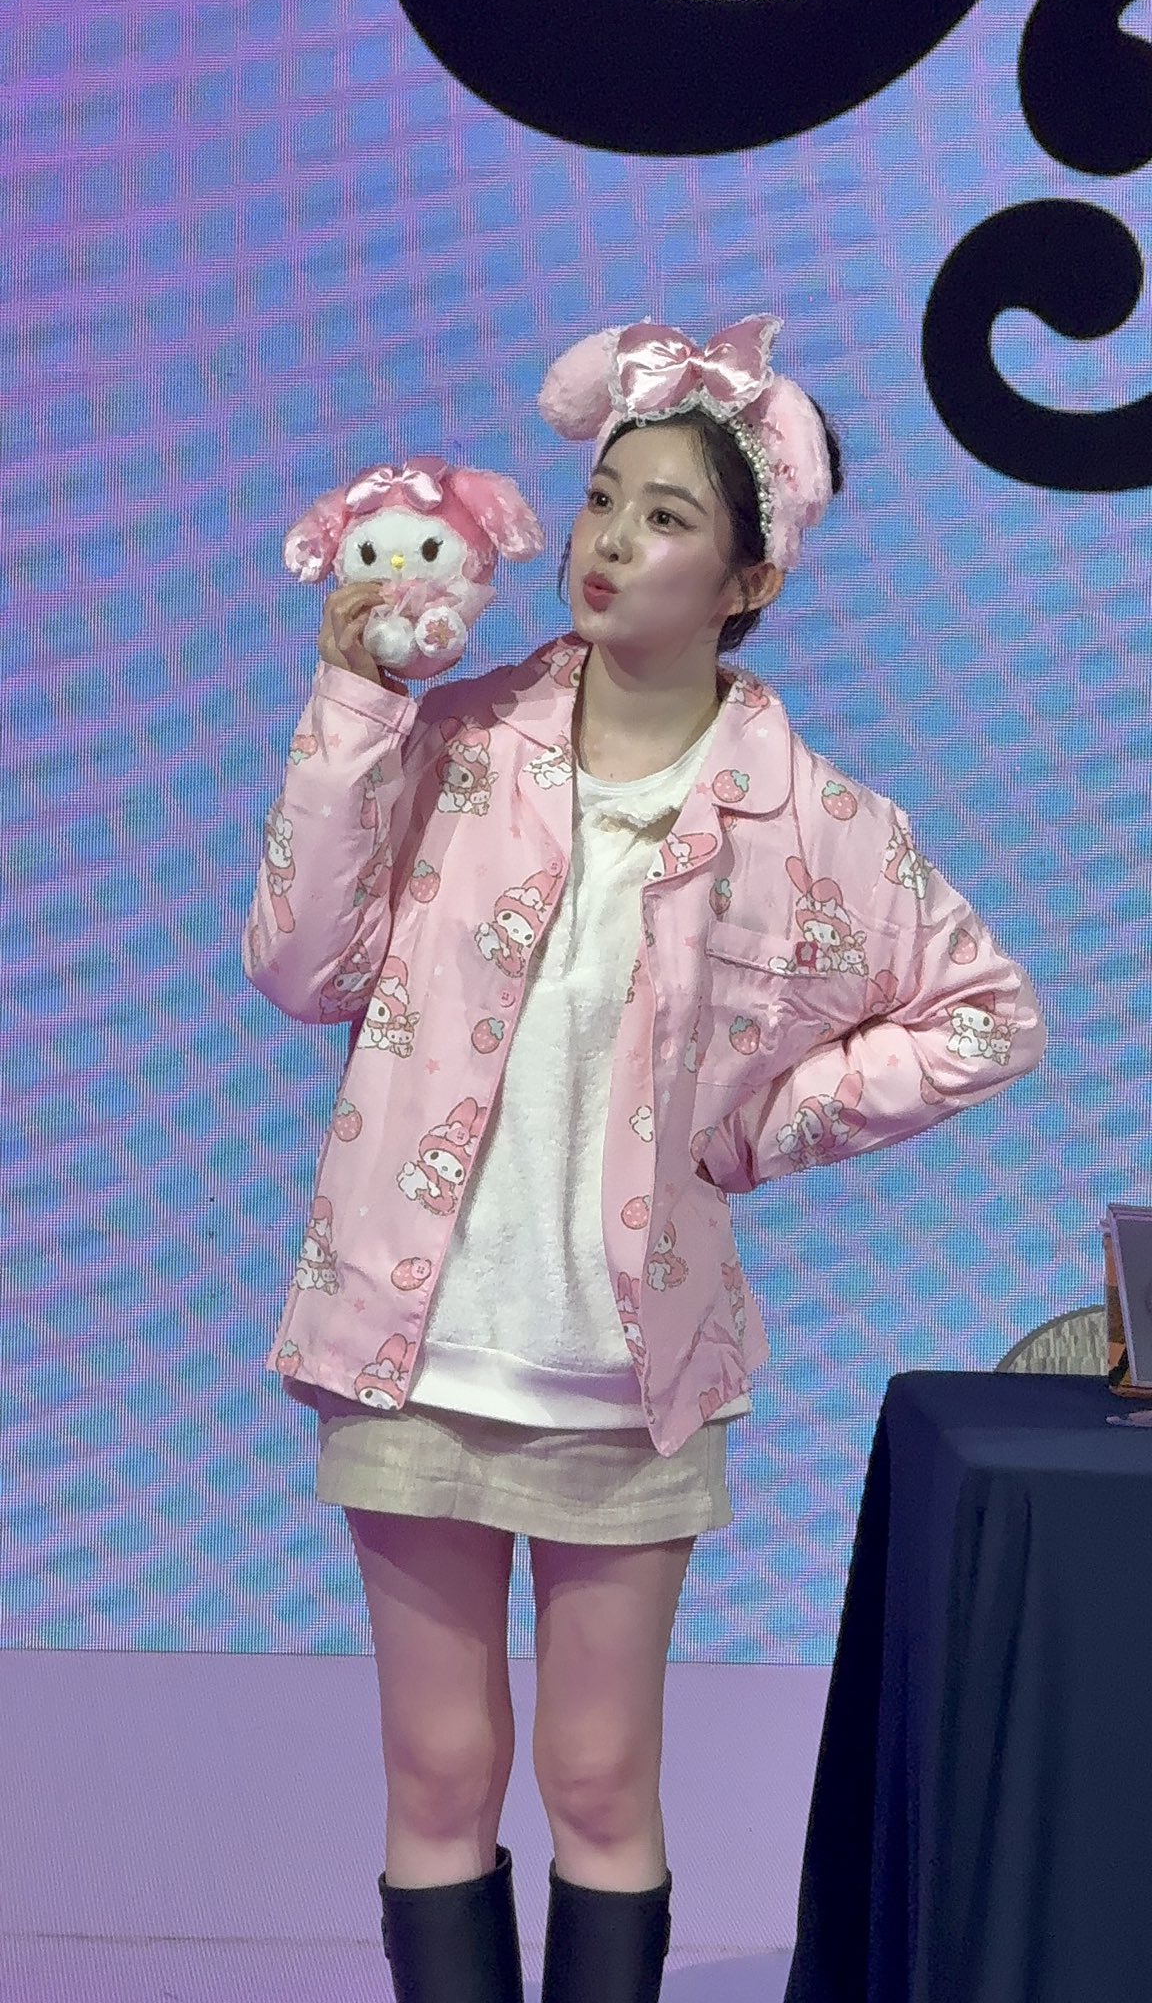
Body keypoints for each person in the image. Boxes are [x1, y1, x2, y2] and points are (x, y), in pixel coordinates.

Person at [242, 315, 1046, 2003]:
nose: (607, 540)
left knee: (602, 1781)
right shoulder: (453, 739)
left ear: (750, 580)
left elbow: (987, 1016)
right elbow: (304, 969)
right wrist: (354, 702)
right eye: (603, 498)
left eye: (666, 516)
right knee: (437, 1772)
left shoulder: (815, 821)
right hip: (413, 1350)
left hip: (624, 1373)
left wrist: (756, 1125)